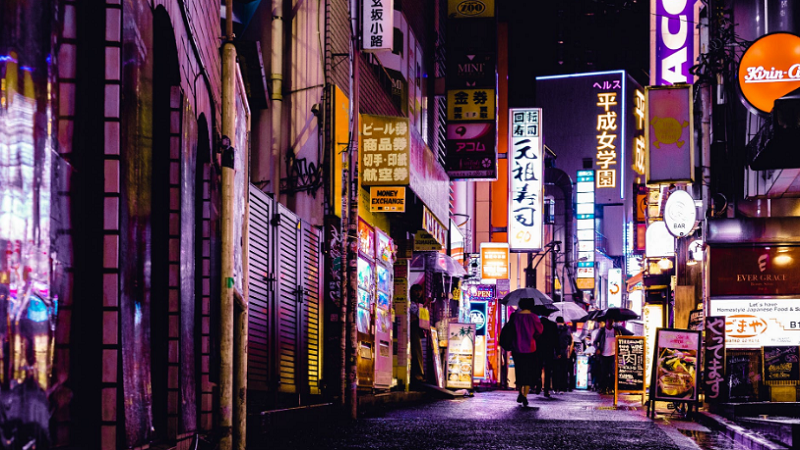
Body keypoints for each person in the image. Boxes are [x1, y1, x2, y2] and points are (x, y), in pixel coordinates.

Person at [507, 298, 543, 407]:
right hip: (530, 348)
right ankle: (525, 395)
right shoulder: (534, 317)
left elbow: (510, 330)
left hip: (517, 348)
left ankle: (519, 392)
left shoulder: (515, 317)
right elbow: (539, 331)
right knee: (528, 372)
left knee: (519, 371)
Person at [593, 318, 633, 394]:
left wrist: (618, 334)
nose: (610, 322)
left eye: (612, 321)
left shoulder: (617, 330)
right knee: (604, 372)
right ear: (606, 322)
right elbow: (595, 342)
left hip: (614, 354)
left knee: (613, 372)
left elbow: (624, 338)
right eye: (609, 321)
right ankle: (603, 388)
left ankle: (611, 388)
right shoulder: (602, 331)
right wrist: (597, 348)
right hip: (604, 354)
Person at [533, 312, 558, 397]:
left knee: (537, 368)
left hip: (538, 349)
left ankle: (538, 385)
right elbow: (556, 340)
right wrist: (557, 352)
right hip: (549, 350)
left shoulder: (537, 324)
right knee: (548, 370)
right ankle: (546, 389)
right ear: (548, 315)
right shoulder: (553, 325)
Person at [554, 316, 573, 392]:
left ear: (556, 321)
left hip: (555, 352)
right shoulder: (567, 330)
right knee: (564, 370)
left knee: (555, 370)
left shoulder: (554, 329)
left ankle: (556, 387)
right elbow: (570, 341)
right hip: (564, 352)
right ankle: (563, 387)